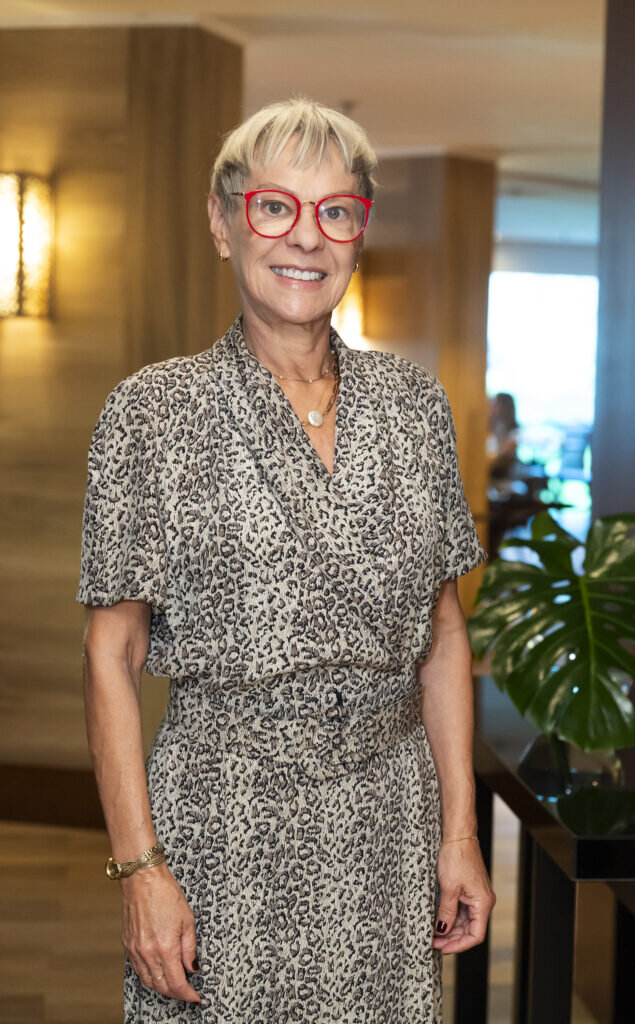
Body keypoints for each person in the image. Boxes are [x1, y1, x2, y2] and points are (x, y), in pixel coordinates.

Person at [77, 96, 495, 1024]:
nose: (306, 237)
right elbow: (112, 656)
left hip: (389, 826)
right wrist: (140, 868)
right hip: (222, 826)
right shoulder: (153, 414)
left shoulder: (416, 407)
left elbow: (443, 637)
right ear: (222, 222)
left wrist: (460, 832)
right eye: (275, 206)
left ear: (358, 234)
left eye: (335, 211)